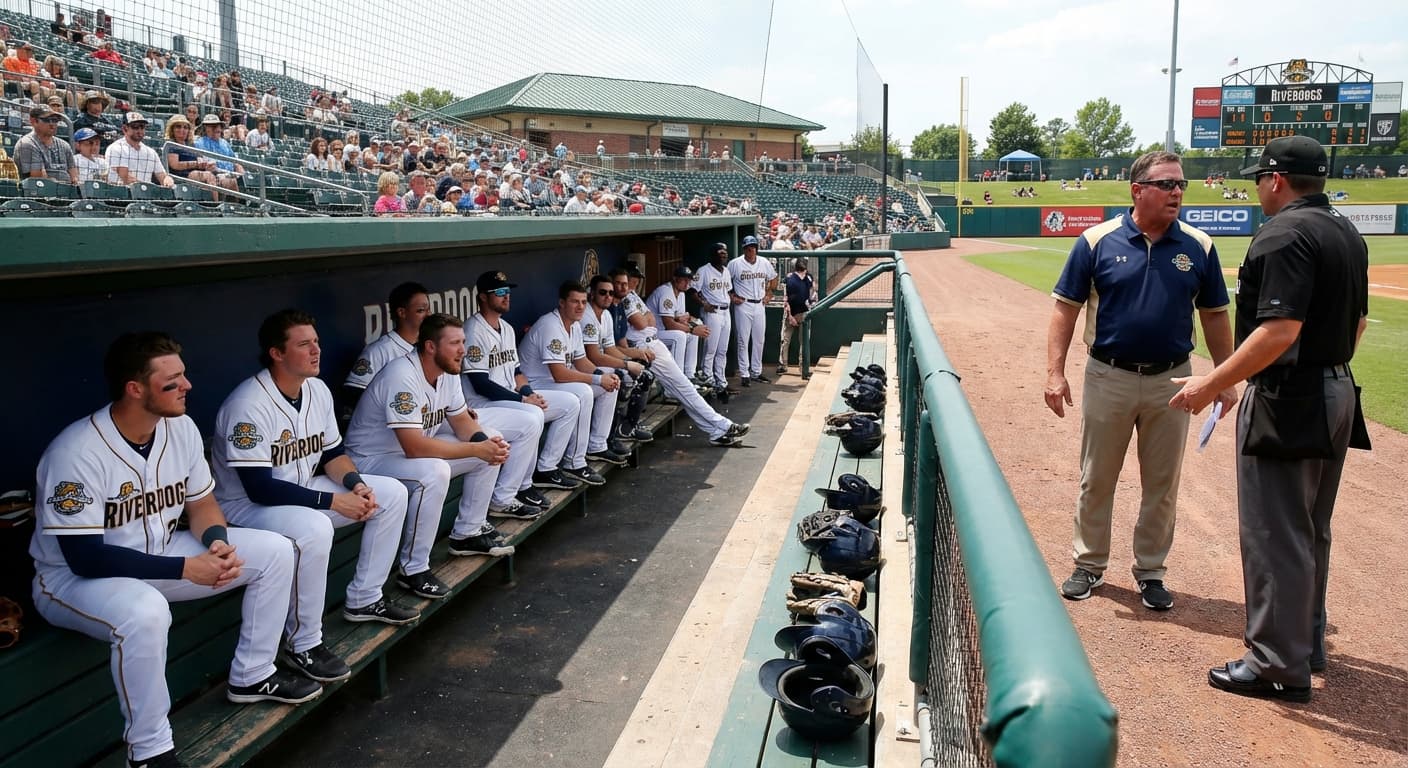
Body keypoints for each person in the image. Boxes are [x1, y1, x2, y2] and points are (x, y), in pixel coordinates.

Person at [30, 332, 316, 768]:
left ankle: (254, 676)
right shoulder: (76, 452)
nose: (187, 386)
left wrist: (216, 542)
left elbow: (201, 503)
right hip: (75, 581)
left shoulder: (178, 427)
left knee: (275, 552)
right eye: (172, 381)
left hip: (160, 551)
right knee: (145, 611)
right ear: (135, 389)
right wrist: (187, 568)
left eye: (184, 375)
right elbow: (85, 557)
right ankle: (150, 751)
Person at [1168, 136, 1369, 703]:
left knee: (1275, 530)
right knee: (1311, 527)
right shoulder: (1346, 231)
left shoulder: (1283, 233)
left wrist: (1213, 382)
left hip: (1290, 397)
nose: (1258, 186)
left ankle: (1278, 663)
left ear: (1277, 180)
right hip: (1337, 390)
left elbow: (1280, 330)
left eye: (1261, 177)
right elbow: (1357, 325)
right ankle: (1304, 642)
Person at [1044, 150, 1235, 611]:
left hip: (1173, 382)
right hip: (1108, 375)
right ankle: (1088, 565)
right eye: (1167, 184)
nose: (1177, 193)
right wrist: (1054, 372)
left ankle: (1151, 571)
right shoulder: (1096, 241)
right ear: (1138, 189)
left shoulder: (1199, 246)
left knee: (1162, 483)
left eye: (1180, 185)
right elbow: (1065, 308)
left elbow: (1214, 315)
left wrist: (1225, 378)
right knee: (1097, 477)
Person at [213, 311, 419, 685]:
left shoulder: (317, 389)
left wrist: (355, 484)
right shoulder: (248, 404)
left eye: (317, 341)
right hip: (247, 506)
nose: (315, 350)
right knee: (314, 527)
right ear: (276, 353)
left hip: (300, 487)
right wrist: (333, 502)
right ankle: (303, 642)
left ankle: (365, 598)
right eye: (304, 344)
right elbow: (260, 487)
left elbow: (331, 455)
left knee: (388, 494)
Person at [343, 313, 512, 600]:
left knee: (491, 439)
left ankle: (468, 532)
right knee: (433, 472)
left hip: (404, 454)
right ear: (431, 346)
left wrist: (485, 444)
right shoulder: (402, 375)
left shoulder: (448, 371)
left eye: (464, 342)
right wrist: (475, 449)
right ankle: (414, 570)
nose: (462, 350)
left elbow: (461, 423)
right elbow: (415, 448)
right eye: (455, 343)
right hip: (370, 459)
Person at [462, 271, 597, 492]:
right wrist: (523, 400)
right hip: (482, 404)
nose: (506, 296)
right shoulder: (473, 330)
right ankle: (515, 490)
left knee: (570, 403)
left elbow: (516, 371)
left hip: (509, 398)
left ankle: (547, 468)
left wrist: (528, 392)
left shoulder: (505, 328)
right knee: (532, 417)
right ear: (483, 297)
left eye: (507, 291)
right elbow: (480, 384)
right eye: (499, 292)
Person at [613, 267, 748, 447]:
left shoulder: (632, 295)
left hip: (652, 343)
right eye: (626, 281)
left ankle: (718, 430)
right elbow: (642, 322)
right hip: (643, 347)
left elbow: (650, 319)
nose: (631, 284)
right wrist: (646, 319)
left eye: (632, 280)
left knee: (685, 389)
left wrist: (646, 318)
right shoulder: (625, 300)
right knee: (684, 388)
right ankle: (722, 426)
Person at [519, 281, 630, 468]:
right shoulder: (550, 325)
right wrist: (597, 379)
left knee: (609, 383)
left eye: (583, 302)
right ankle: (573, 461)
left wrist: (601, 375)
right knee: (583, 392)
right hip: (534, 385)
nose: (580, 307)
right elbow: (560, 374)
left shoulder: (575, 325)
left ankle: (597, 445)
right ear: (562, 303)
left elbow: (581, 361)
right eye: (574, 302)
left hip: (552, 383)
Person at [728, 235, 779, 386]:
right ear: (744, 249)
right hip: (743, 304)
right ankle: (744, 373)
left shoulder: (763, 262)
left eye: (753, 247)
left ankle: (756, 372)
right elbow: (725, 280)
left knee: (759, 340)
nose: (751, 250)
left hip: (759, 305)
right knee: (743, 340)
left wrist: (770, 294)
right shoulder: (735, 264)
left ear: (756, 248)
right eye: (748, 247)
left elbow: (774, 278)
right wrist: (731, 296)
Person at [647, 266, 708, 382]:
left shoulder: (681, 294)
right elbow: (669, 324)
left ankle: (690, 374)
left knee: (691, 334)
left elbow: (680, 319)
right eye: (684, 280)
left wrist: (694, 326)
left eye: (689, 280)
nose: (687, 283)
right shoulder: (665, 292)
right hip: (651, 334)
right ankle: (677, 380)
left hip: (663, 332)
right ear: (675, 279)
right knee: (679, 336)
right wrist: (692, 329)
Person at [690, 243, 735, 398]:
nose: (724, 255)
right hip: (712, 313)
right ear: (713, 254)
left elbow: (728, 291)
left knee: (722, 350)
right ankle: (708, 381)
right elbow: (692, 290)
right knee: (710, 349)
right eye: (720, 253)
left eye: (725, 253)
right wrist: (703, 303)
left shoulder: (727, 271)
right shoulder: (703, 271)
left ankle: (721, 382)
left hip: (725, 312)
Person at [106, 112, 174, 187]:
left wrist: (168, 180)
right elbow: (126, 178)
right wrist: (149, 187)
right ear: (125, 129)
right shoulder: (115, 148)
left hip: (144, 194)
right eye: (135, 127)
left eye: (142, 127)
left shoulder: (150, 152)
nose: (139, 130)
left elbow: (162, 176)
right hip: (121, 193)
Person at [14, 104, 77, 183]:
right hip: (36, 192)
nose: (52, 124)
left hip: (65, 191)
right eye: (47, 120)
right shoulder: (27, 144)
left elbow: (74, 176)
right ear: (34, 121)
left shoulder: (64, 145)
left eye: (55, 120)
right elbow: (38, 179)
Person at [778, 258, 816, 375]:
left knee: (804, 342)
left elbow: (813, 291)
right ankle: (783, 365)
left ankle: (803, 367)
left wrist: (811, 303)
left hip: (804, 313)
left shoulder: (809, 278)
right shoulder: (789, 278)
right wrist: (790, 316)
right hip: (791, 313)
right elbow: (785, 299)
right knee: (785, 340)